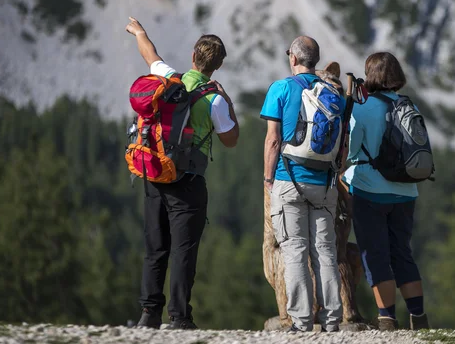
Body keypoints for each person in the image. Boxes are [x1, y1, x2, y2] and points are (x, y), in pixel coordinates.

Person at [125, 17, 240, 330]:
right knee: (183, 251)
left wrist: (139, 32)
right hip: (187, 183)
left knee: (155, 246)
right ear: (217, 66)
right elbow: (231, 140)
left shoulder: (168, 79)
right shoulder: (214, 99)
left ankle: (149, 314)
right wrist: (227, 100)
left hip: (155, 172)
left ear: (193, 56)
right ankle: (179, 317)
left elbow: (150, 54)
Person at [260, 37, 345, 332]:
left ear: (293, 58)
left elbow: (272, 140)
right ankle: (333, 321)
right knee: (325, 250)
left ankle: (301, 321)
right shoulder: (334, 92)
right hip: (325, 183)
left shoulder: (281, 88)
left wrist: (269, 179)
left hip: (288, 178)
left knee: (295, 249)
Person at [342, 52, 430, 331]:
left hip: (370, 191)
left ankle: (387, 318)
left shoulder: (363, 107)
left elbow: (353, 151)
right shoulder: (408, 104)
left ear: (371, 75)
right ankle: (418, 318)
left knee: (375, 254)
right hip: (406, 191)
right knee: (402, 252)